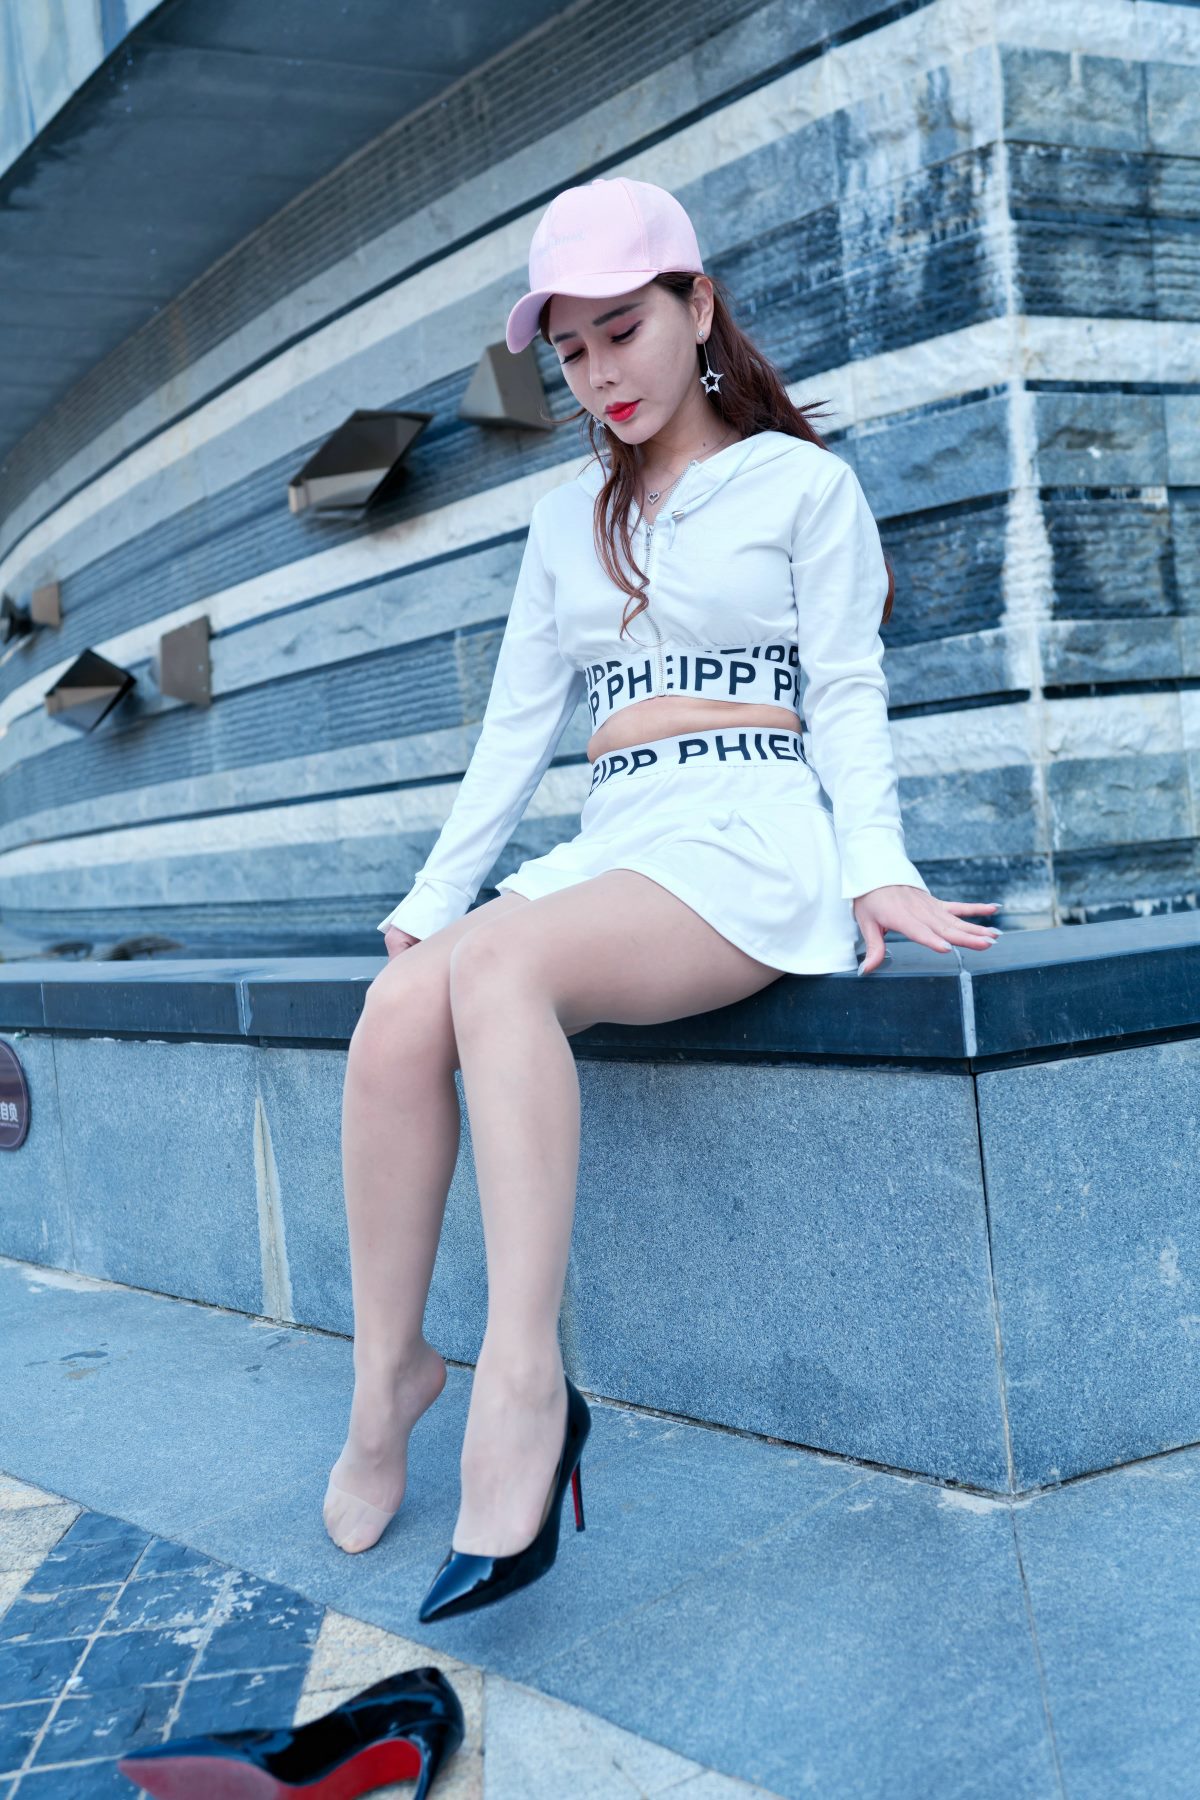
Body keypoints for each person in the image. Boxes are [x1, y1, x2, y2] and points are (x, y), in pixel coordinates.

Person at [323, 177, 1001, 1619]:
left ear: (698, 308)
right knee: (398, 1006)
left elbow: (849, 688)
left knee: (500, 971)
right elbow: (515, 730)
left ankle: (524, 1385)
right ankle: (389, 1375)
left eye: (621, 330)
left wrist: (880, 865)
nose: (599, 374)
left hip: (747, 834)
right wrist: (432, 897)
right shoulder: (567, 517)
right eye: (571, 353)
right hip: (617, 839)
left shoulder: (800, 486)